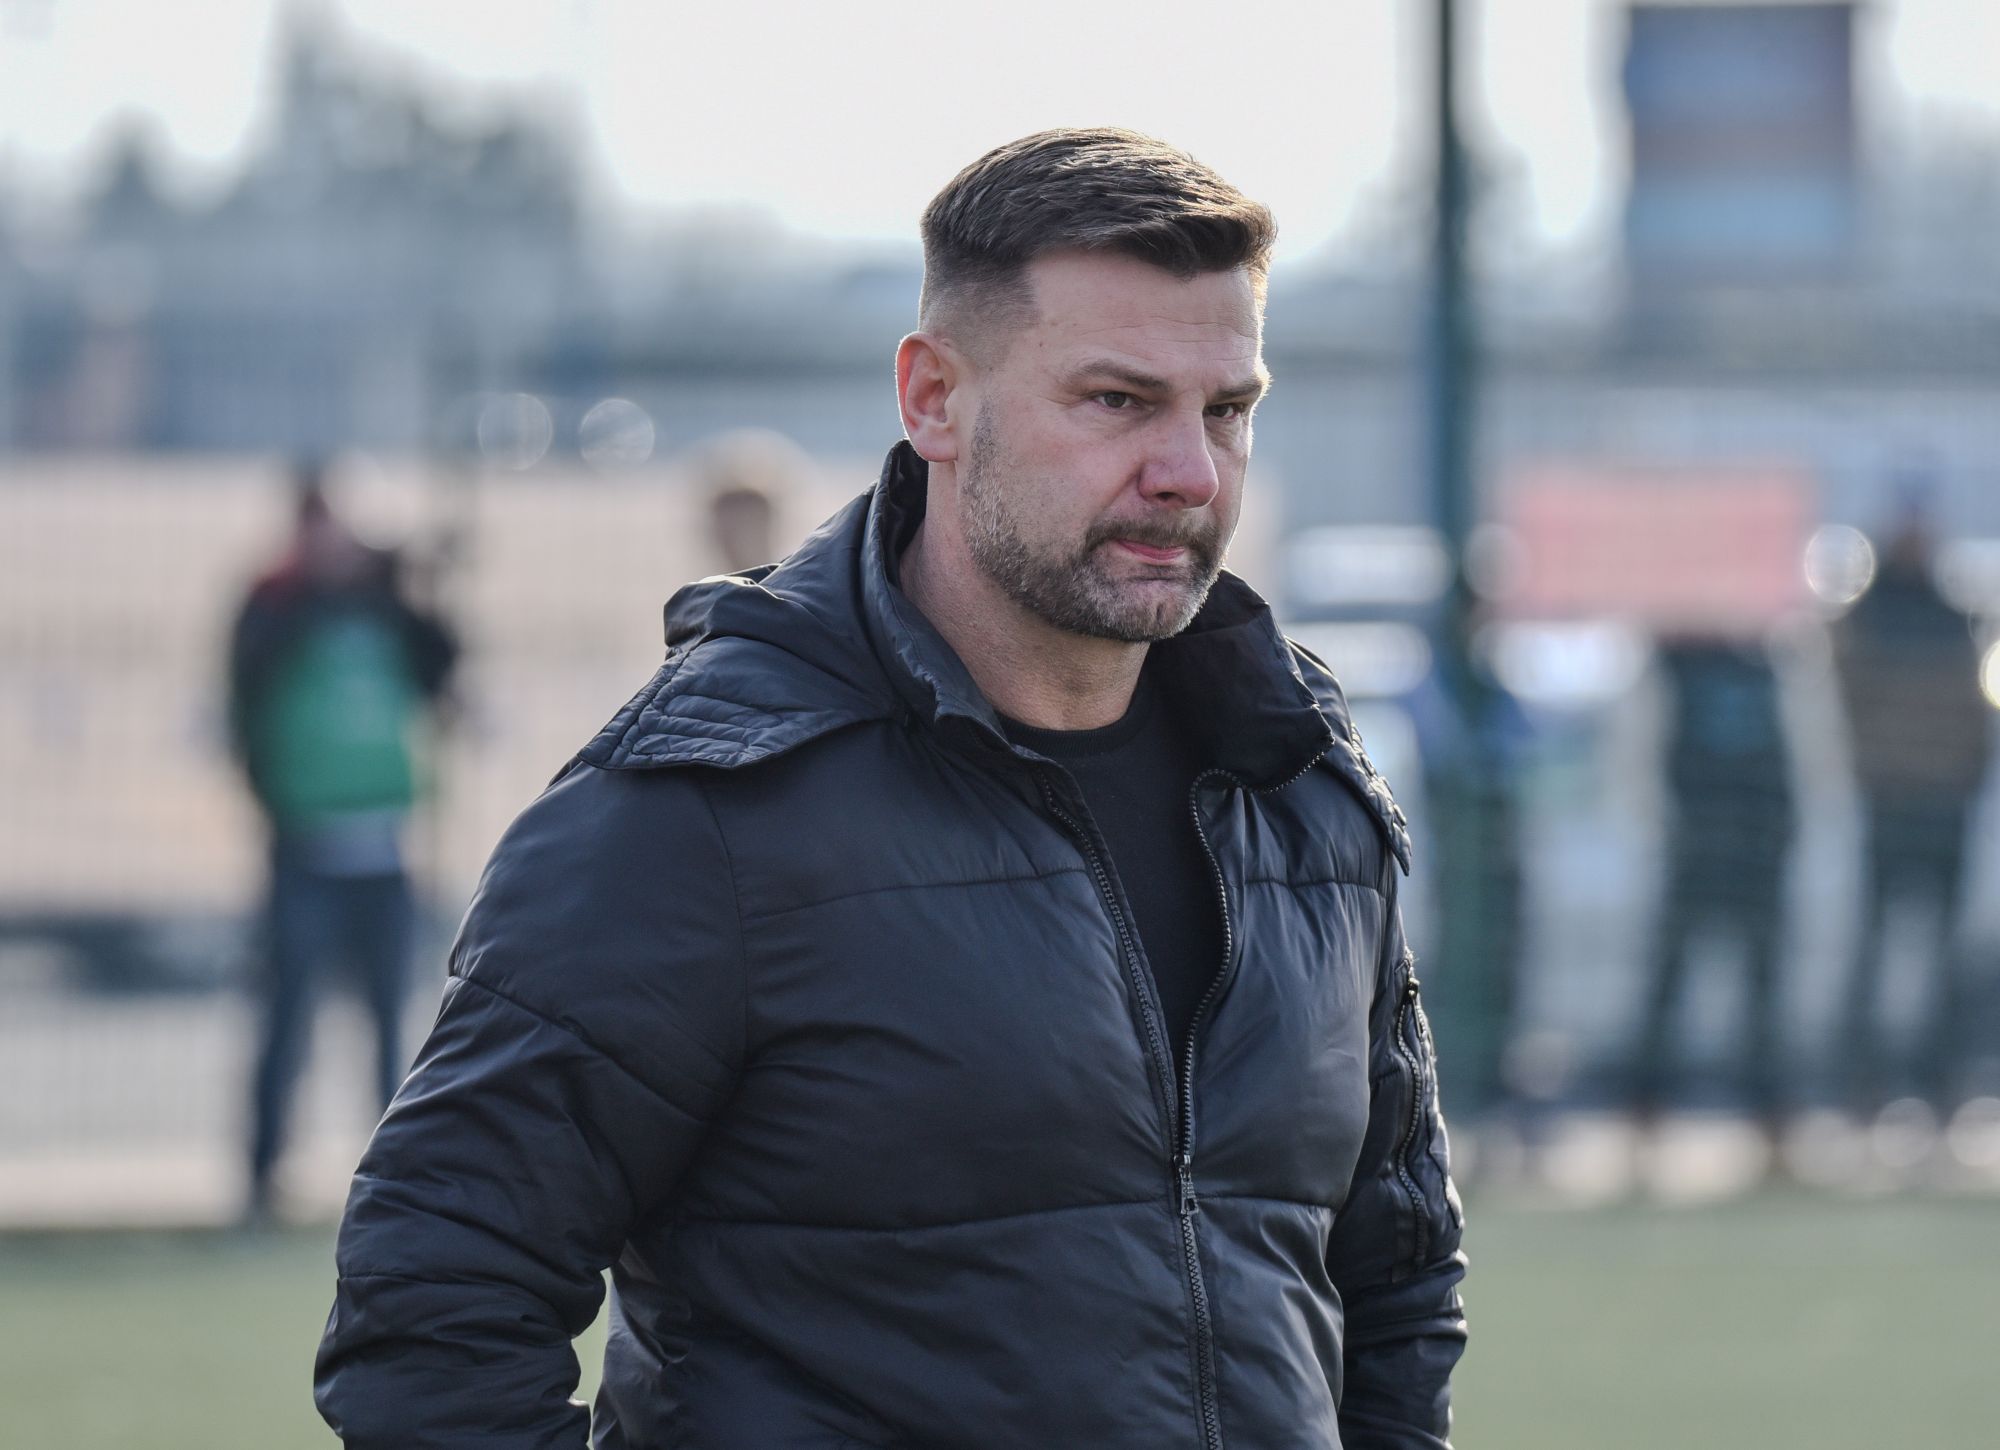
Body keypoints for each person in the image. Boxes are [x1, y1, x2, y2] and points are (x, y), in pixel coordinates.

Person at [315, 129, 1465, 1449]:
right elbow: (436, 1299)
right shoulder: (701, 811)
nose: (1189, 472)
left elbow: (1396, 1275)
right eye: (1115, 400)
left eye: (1227, 410)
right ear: (933, 399)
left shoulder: (1300, 780)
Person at [226, 464, 457, 1222]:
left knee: (391, 1024)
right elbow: (246, 691)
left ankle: (397, 1180)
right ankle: (262, 1177)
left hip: (384, 845)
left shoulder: (384, 605)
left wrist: (408, 579)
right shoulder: (275, 604)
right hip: (304, 847)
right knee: (287, 1017)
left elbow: (442, 664)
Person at [1832, 498, 1992, 1116]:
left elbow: (1975, 710)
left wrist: (1965, 774)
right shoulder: (1868, 616)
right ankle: (1862, 1078)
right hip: (1891, 801)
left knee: (1944, 951)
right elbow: (1850, 704)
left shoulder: (1956, 617)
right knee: (1874, 944)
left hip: (1945, 805)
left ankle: (1939, 1079)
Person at [1629, 634, 1795, 1149]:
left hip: (1756, 844)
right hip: (1697, 842)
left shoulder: (1770, 657)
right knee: (1673, 974)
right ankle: (1645, 1106)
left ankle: (1768, 1112)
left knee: (1762, 979)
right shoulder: (1678, 657)